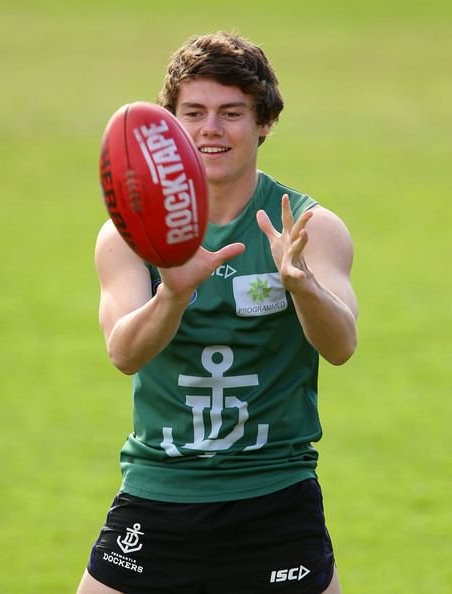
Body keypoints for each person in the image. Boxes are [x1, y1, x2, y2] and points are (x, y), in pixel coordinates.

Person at [77, 31, 358, 594]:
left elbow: (342, 345)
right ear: (169, 125)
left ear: (265, 121)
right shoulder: (129, 236)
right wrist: (173, 293)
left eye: (232, 112)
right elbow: (123, 354)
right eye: (195, 112)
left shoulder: (309, 227)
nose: (211, 129)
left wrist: (300, 286)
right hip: (161, 488)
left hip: (275, 493)